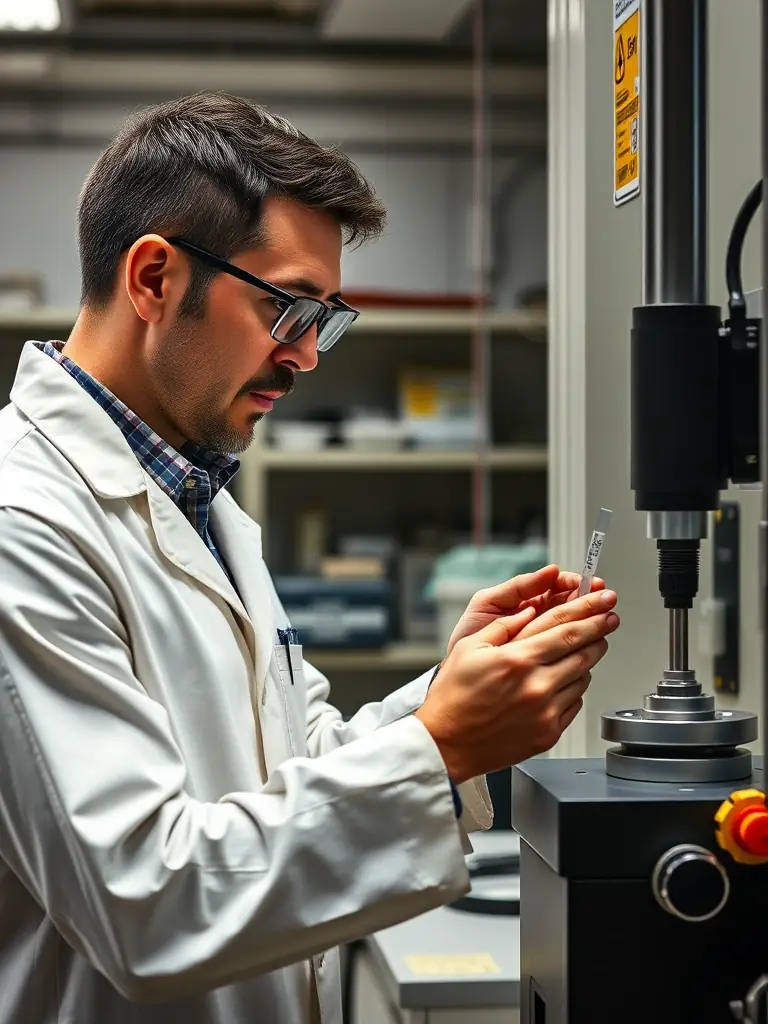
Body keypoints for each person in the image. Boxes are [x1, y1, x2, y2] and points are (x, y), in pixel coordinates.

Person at [0, 92, 619, 1024]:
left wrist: (448, 692)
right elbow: (144, 901)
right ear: (156, 278)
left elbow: (289, 763)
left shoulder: (199, 500)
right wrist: (442, 743)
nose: (307, 357)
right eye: (288, 308)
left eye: (325, 318)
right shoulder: (25, 525)